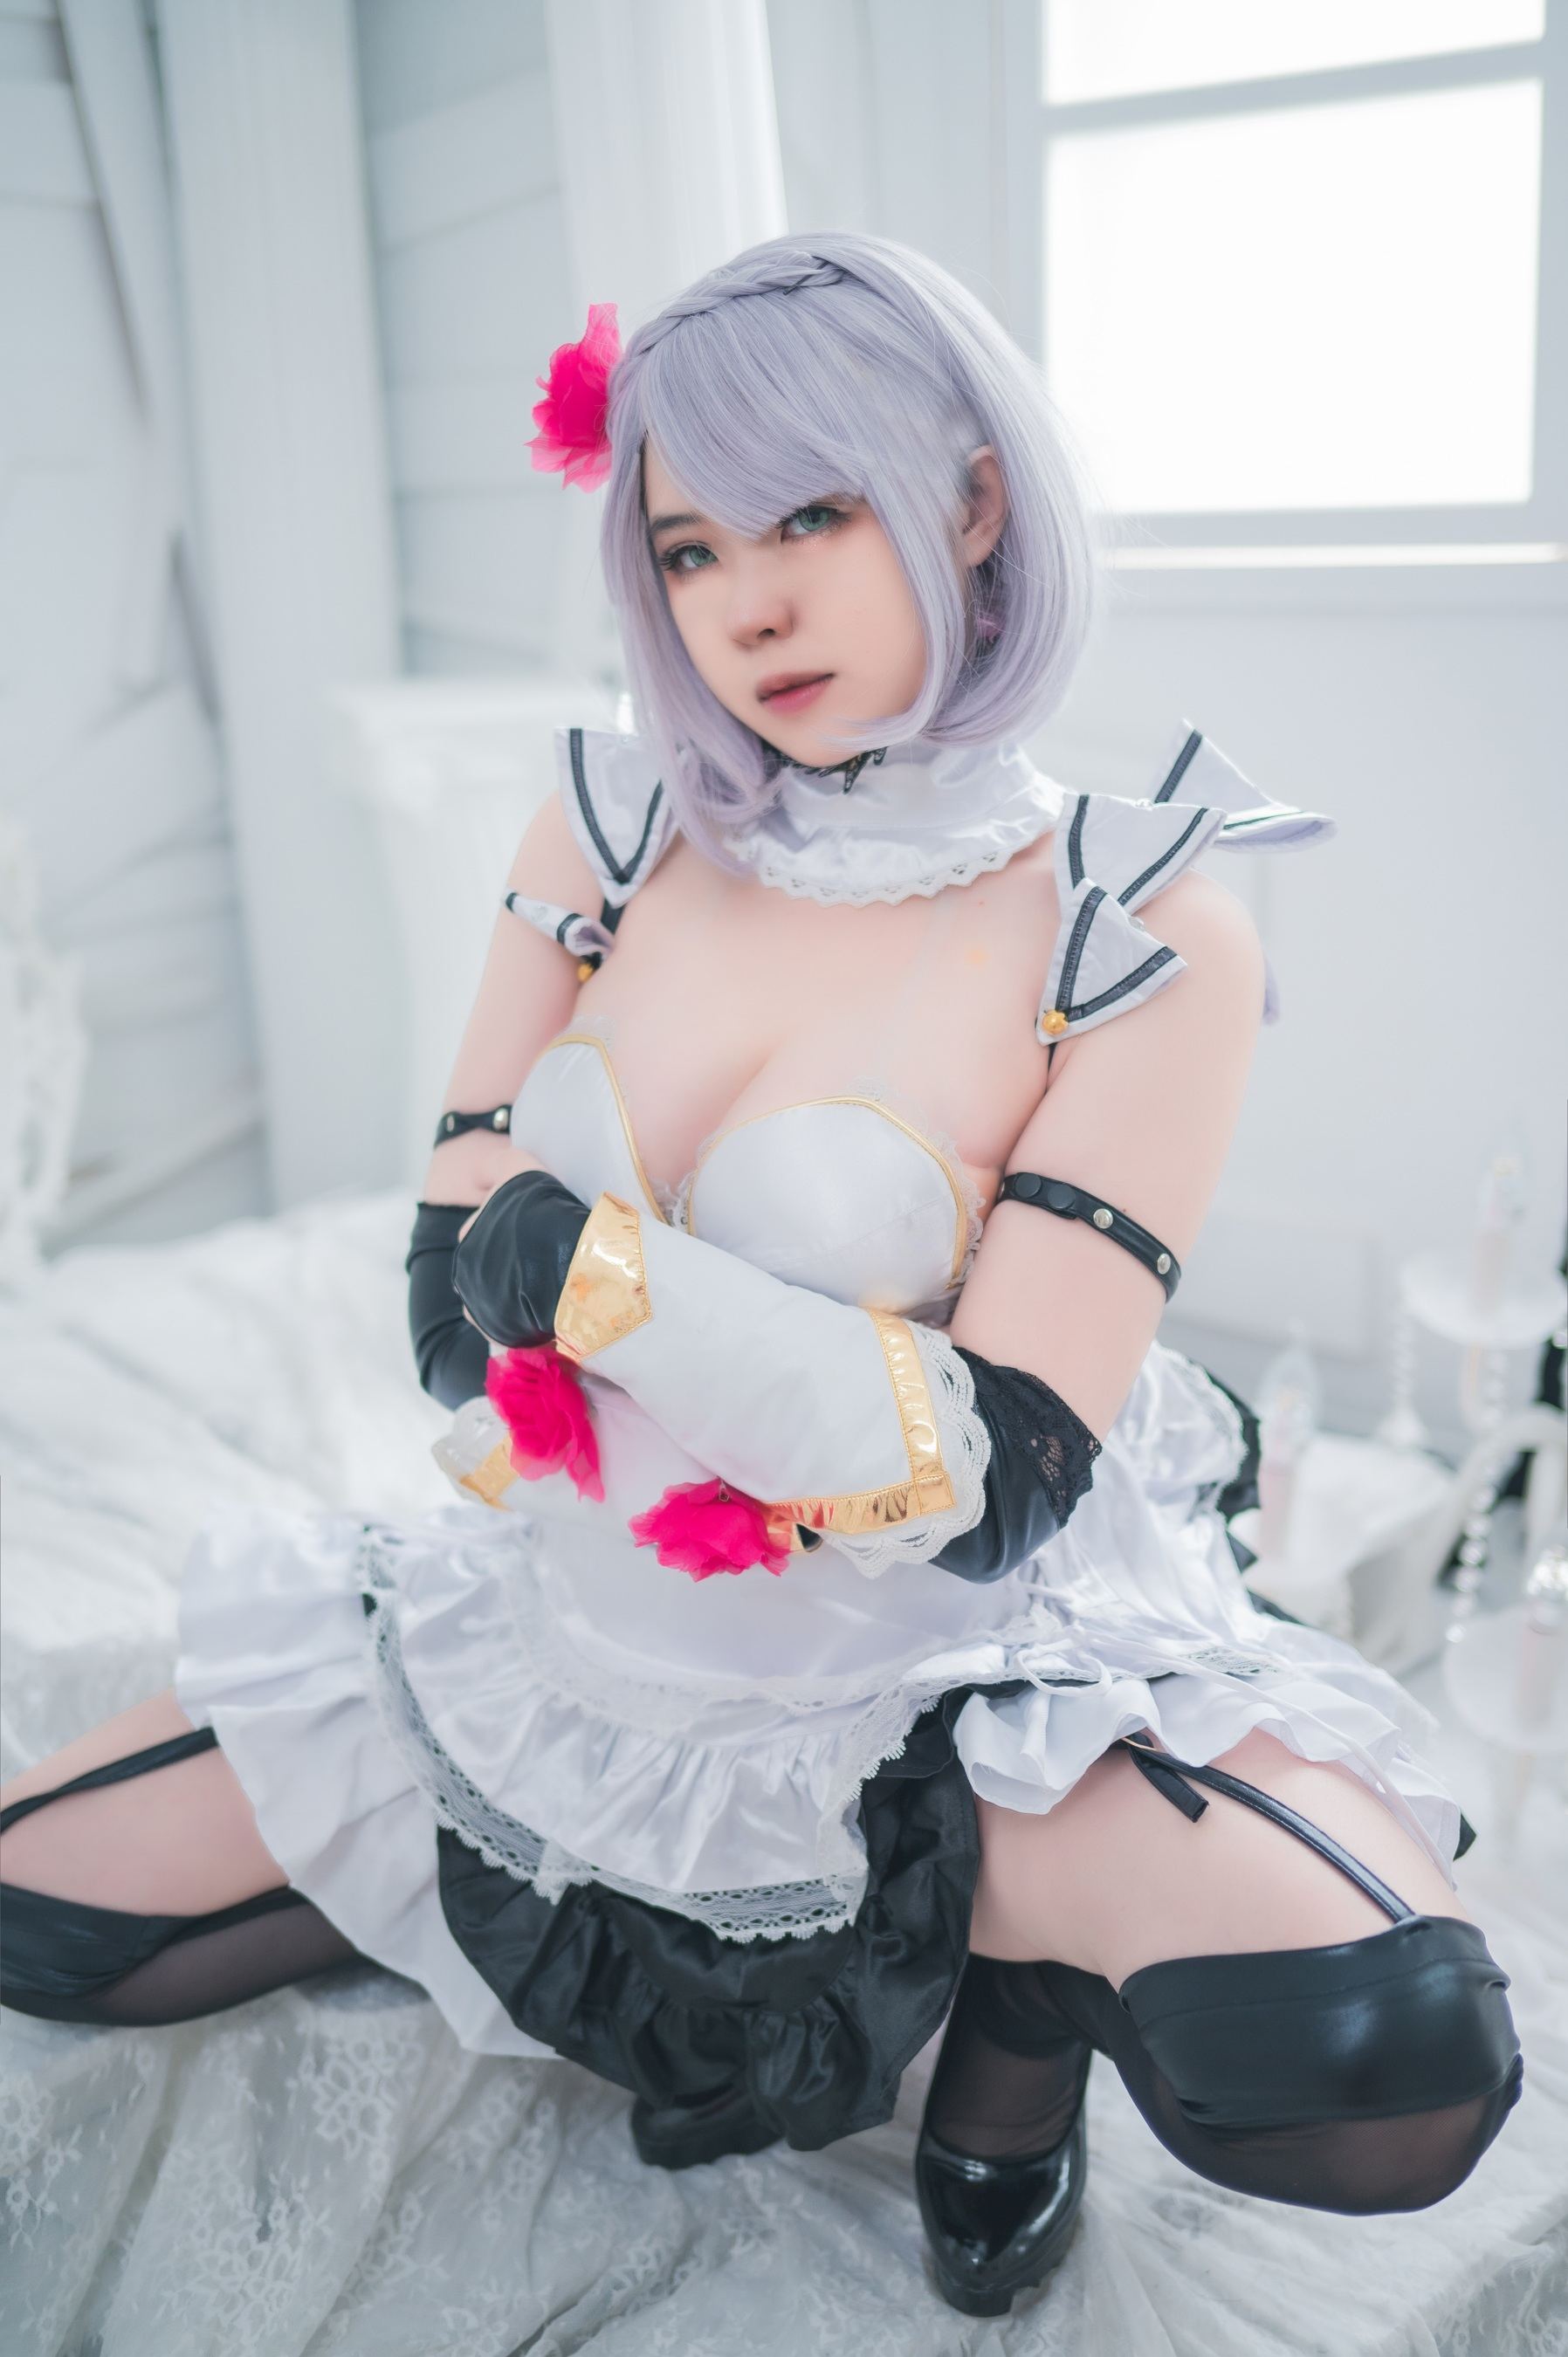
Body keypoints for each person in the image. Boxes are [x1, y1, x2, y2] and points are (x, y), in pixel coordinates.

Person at [0, 232, 1520, 2321]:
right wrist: (552, 1296)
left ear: (968, 503)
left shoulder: (1134, 910)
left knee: (1382, 2062)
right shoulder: (612, 823)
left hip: (941, 1664)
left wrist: (607, 1285)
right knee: (38, 1913)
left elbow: (992, 1472)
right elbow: (452, 1299)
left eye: (810, 515)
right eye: (691, 547)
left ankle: (1012, 2000)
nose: (749, 605)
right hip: (572, 1621)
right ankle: (543, 1897)